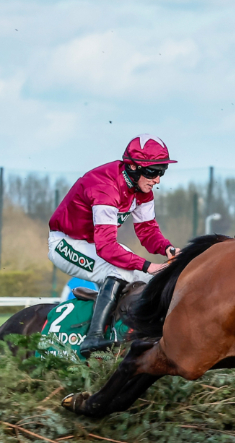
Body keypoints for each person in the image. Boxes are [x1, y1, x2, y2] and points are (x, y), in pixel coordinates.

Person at [48, 135, 178, 357]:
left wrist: (168, 249)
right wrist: (148, 265)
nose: (157, 179)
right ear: (134, 167)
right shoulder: (106, 188)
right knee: (118, 270)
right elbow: (106, 248)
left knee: (152, 279)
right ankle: (93, 337)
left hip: (95, 244)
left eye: (161, 172)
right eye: (153, 172)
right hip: (66, 243)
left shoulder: (142, 190)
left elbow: (147, 231)